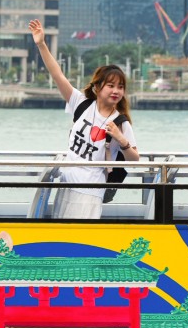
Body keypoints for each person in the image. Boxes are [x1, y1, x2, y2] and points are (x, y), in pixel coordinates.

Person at [29, 19, 139, 218]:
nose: (116, 91)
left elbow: (134, 159)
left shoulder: (120, 122)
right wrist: (41, 44)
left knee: (79, 239)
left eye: (120, 87)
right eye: (111, 86)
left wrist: (121, 139)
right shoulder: (81, 103)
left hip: (90, 191)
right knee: (62, 239)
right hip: (67, 182)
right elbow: (57, 75)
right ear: (97, 88)